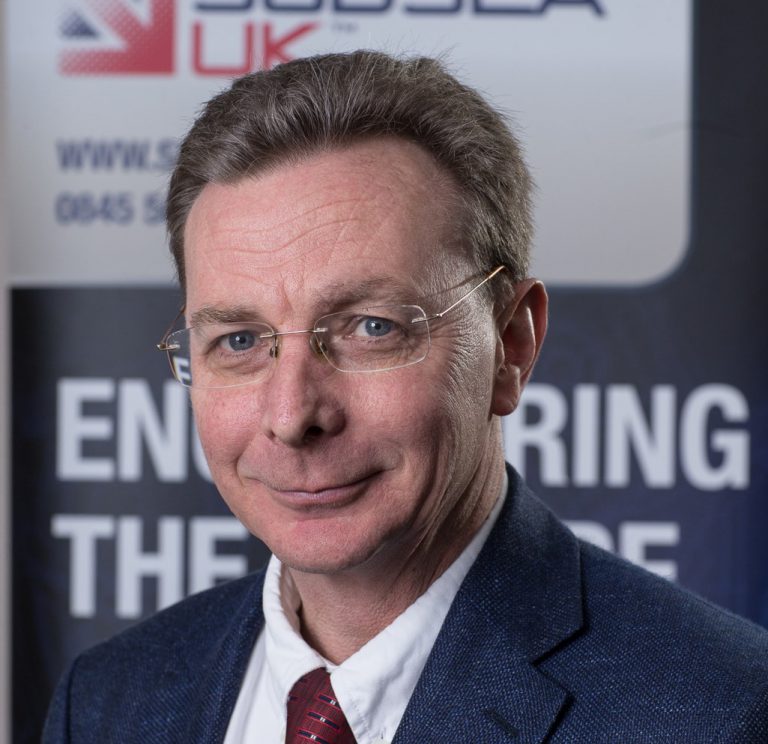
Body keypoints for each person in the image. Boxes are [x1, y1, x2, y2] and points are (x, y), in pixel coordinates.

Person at [44, 50, 768, 743]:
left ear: (511, 344)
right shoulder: (108, 701)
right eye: (239, 340)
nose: (292, 416)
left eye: (371, 328)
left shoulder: (721, 714)